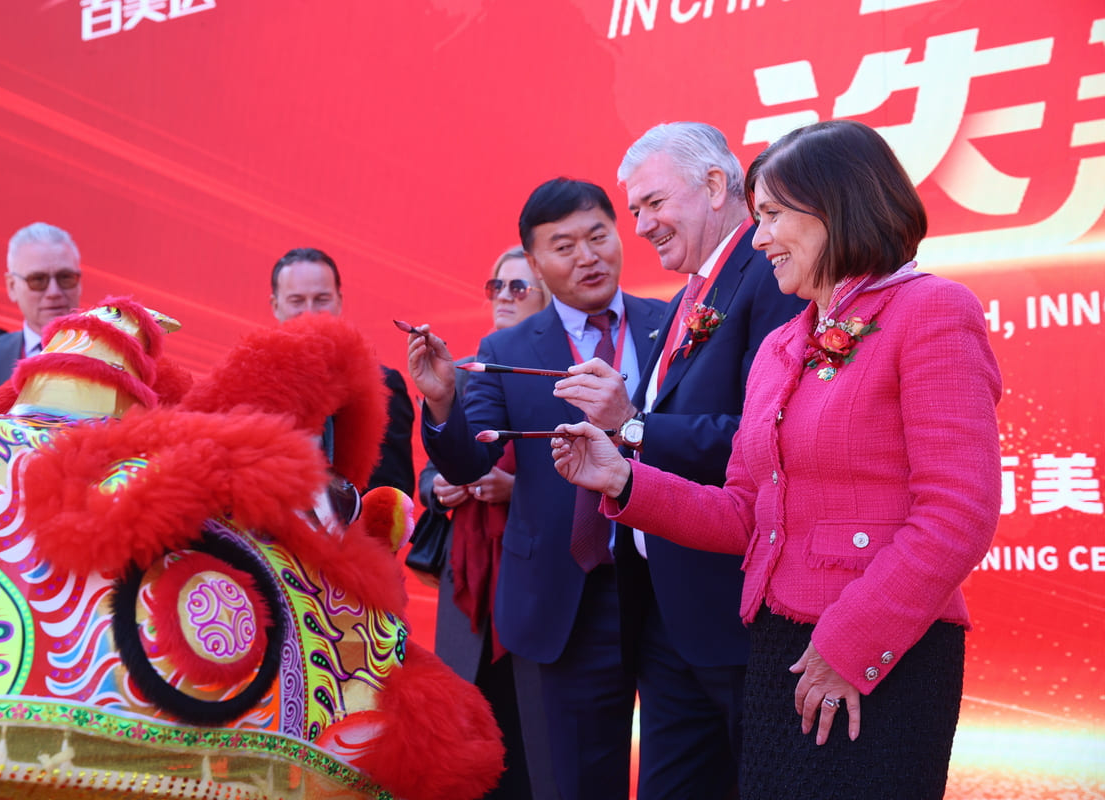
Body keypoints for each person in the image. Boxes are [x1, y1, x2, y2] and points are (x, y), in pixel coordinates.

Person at [551, 119, 1002, 800]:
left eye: (770, 216)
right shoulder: (782, 346)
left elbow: (957, 514)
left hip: (878, 654)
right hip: (778, 655)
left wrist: (846, 646)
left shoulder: (932, 311)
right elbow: (745, 514)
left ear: (837, 206)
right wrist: (623, 478)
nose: (758, 239)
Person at [552, 122, 807, 798]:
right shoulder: (688, 296)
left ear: (716, 185)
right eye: (635, 210)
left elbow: (764, 439)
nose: (640, 226)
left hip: (735, 610)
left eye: (653, 204)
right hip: (665, 611)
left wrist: (629, 427)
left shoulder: (770, 274)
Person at [408, 178, 666, 800]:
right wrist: (442, 399)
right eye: (564, 245)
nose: (588, 256)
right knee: (569, 783)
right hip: (562, 596)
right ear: (538, 262)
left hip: (665, 588)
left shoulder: (672, 324)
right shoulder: (507, 349)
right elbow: (471, 460)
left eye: (599, 235)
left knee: (679, 775)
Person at [417, 245, 555, 800]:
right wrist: (443, 488)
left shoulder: (562, 374)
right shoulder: (471, 374)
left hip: (537, 589)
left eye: (517, 287)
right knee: (471, 751)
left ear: (546, 296)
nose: (503, 297)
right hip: (470, 596)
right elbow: (428, 475)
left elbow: (589, 482)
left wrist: (515, 491)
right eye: (496, 286)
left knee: (536, 752)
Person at [270, 247, 415, 496]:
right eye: (297, 301)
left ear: (339, 301)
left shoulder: (381, 385)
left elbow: (391, 494)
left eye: (321, 299)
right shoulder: (255, 383)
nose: (310, 311)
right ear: (275, 305)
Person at [0, 222, 83, 424]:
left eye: (65, 278)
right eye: (38, 280)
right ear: (12, 286)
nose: (54, 292)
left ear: (79, 281)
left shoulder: (116, 358)